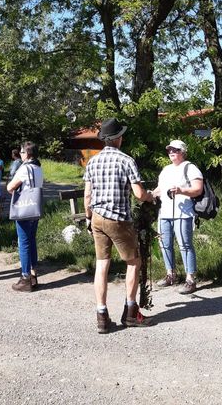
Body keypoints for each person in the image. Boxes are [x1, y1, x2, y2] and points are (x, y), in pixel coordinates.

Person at [83, 118, 156, 333]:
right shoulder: (126, 161)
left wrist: (89, 219)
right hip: (118, 219)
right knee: (133, 262)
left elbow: (87, 195)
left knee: (102, 264)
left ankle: (102, 316)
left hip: (96, 217)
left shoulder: (93, 162)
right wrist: (151, 197)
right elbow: (139, 194)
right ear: (118, 139)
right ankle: (130, 312)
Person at [153, 140, 203, 295]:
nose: (171, 152)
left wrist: (181, 190)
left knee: (185, 245)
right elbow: (160, 189)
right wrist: (149, 195)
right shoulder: (166, 169)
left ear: (183, 151)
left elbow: (198, 189)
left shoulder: (190, 167)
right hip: (164, 213)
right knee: (164, 244)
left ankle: (190, 279)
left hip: (183, 213)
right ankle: (171, 275)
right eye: (169, 150)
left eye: (175, 149)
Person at [7, 141, 43, 292]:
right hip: (35, 208)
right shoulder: (38, 168)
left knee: (24, 242)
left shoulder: (24, 168)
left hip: (24, 209)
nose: (20, 154)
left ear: (27, 153)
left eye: (22, 152)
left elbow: (10, 187)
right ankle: (34, 275)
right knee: (32, 240)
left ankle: (25, 277)